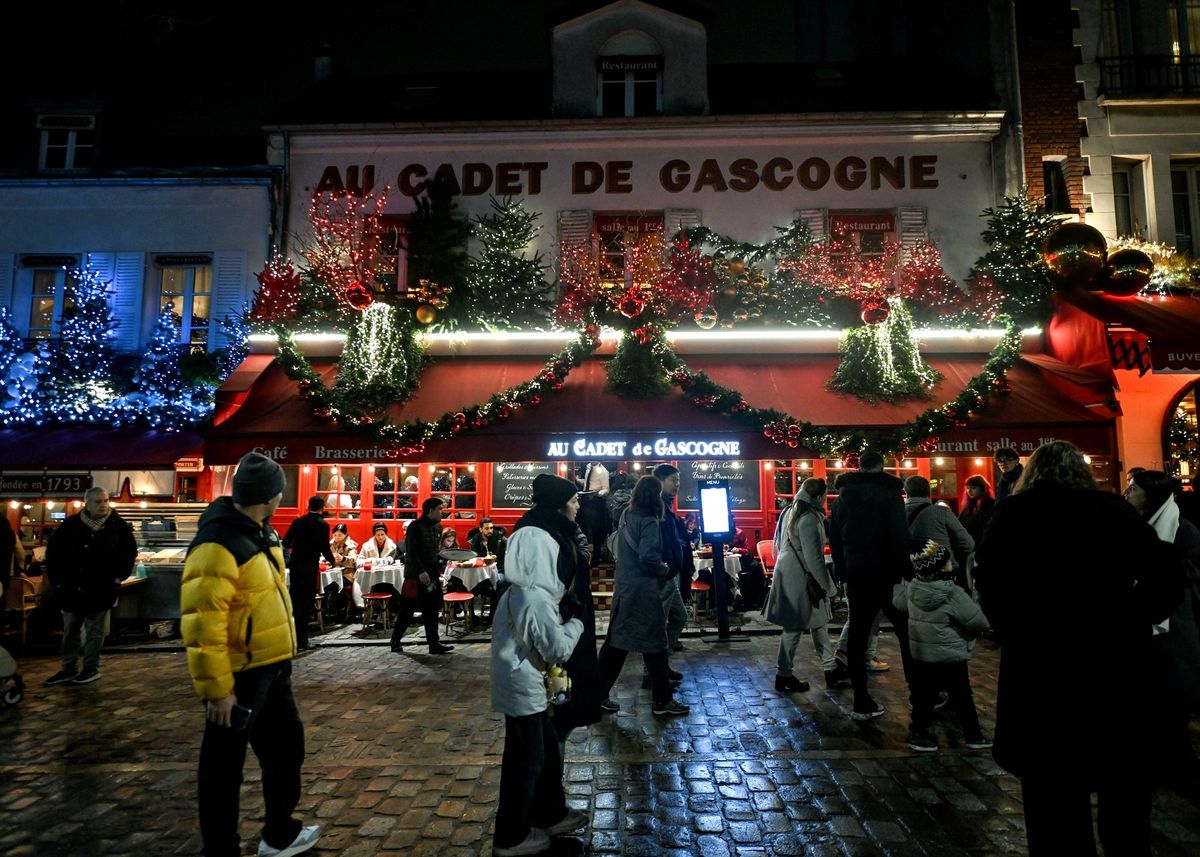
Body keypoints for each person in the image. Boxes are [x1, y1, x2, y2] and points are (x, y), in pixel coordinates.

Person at [975, 441, 1181, 857]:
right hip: (1114, 665)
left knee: (1052, 796)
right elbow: (1166, 574)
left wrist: (1019, 627)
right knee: (1122, 788)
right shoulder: (1112, 511)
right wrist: (1134, 617)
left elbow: (991, 588)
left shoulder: (1012, 515)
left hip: (1042, 667)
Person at [180, 451, 321, 857]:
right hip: (240, 674)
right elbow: (203, 624)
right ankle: (221, 848)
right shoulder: (218, 543)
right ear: (270, 495)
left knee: (286, 749)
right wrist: (217, 690)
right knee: (223, 768)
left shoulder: (262, 532)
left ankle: (280, 831)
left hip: (272, 667)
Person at [490, 473, 589, 856]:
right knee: (524, 760)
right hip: (522, 683)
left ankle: (550, 811)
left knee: (545, 749)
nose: (578, 506)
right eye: (574, 500)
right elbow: (557, 647)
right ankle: (510, 836)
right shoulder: (534, 597)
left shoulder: (532, 591)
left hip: (526, 681)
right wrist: (578, 623)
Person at [1124, 469, 1200, 786]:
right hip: (1143, 624)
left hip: (1173, 625)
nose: (1127, 493)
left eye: (1134, 489)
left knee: (1172, 701)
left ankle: (1181, 768)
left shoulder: (1183, 529)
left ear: (1150, 495)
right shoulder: (1133, 528)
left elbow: (1192, 572)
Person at [828, 451, 916, 721]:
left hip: (857, 572)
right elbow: (900, 535)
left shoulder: (843, 498)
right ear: (880, 468)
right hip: (887, 573)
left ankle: (861, 699)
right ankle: (918, 692)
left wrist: (843, 573)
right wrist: (907, 571)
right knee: (906, 631)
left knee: (858, 633)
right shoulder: (890, 495)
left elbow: (836, 539)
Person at [597, 475, 689, 716]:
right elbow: (648, 556)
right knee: (654, 644)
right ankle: (662, 701)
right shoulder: (649, 520)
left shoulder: (627, 515)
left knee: (618, 645)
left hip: (625, 587)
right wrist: (665, 570)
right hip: (644, 591)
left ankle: (597, 694)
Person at [893, 538, 991, 752]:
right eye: (946, 560)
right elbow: (977, 621)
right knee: (963, 696)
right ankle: (973, 735)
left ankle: (917, 732)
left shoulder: (913, 588)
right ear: (940, 566)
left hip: (921, 654)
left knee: (924, 697)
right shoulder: (952, 593)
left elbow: (898, 602)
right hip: (950, 654)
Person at [42, 487, 137, 687]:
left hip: (100, 588)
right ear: (87, 504)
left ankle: (90, 667)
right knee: (71, 630)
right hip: (71, 588)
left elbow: (129, 553)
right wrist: (57, 581)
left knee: (94, 631)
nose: (103, 505)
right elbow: (53, 554)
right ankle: (68, 668)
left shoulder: (118, 527)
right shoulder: (71, 525)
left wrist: (119, 576)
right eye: (98, 502)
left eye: (105, 501)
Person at [765, 478, 846, 692]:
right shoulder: (809, 518)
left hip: (791, 575)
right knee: (794, 627)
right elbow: (814, 559)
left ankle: (830, 668)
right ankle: (784, 674)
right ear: (818, 497)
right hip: (801, 578)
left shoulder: (790, 511)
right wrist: (829, 587)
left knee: (817, 622)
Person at [391, 498, 454, 655]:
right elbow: (411, 552)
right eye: (440, 509)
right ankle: (395, 640)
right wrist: (420, 571)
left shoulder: (438, 527)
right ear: (431, 510)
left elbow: (433, 551)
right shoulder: (415, 526)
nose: (442, 512)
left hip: (431, 574)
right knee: (407, 609)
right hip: (415, 576)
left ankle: (434, 643)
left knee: (431, 609)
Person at [281, 496, 336, 651]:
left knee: (295, 601)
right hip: (310, 566)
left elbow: (286, 542)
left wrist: (298, 546)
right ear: (322, 508)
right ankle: (303, 640)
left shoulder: (298, 522)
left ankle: (293, 637)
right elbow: (325, 547)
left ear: (308, 505)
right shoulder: (323, 525)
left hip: (296, 565)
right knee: (306, 602)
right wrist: (332, 560)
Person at [904, 476, 975, 592]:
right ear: (928, 493)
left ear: (907, 493)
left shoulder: (897, 514)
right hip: (943, 571)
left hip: (911, 574)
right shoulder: (941, 512)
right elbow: (968, 543)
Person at [649, 463, 689, 655]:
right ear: (660, 482)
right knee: (657, 623)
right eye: (673, 480)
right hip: (663, 575)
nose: (677, 485)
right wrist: (664, 568)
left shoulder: (666, 506)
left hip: (670, 574)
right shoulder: (655, 508)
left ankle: (663, 660)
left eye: (678, 480)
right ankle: (653, 672)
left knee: (680, 617)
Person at [577, 461, 611, 569]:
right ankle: (584, 555)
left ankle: (595, 558)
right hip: (585, 500)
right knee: (583, 528)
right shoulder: (587, 466)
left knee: (596, 530)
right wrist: (577, 480)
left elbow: (606, 488)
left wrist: (598, 493)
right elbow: (588, 482)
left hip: (596, 501)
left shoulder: (604, 471)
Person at [328, 523, 363, 617]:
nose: (337, 537)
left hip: (347, 574)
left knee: (335, 584)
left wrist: (343, 559)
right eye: (335, 535)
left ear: (345, 534)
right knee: (325, 584)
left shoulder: (351, 545)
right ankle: (326, 610)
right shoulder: (330, 544)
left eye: (340, 535)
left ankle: (334, 612)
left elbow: (353, 560)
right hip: (333, 573)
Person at [957, 475, 995, 547]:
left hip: (981, 545)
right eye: (967, 488)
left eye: (974, 488)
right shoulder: (968, 506)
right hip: (967, 544)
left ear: (982, 489)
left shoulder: (989, 504)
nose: (969, 491)